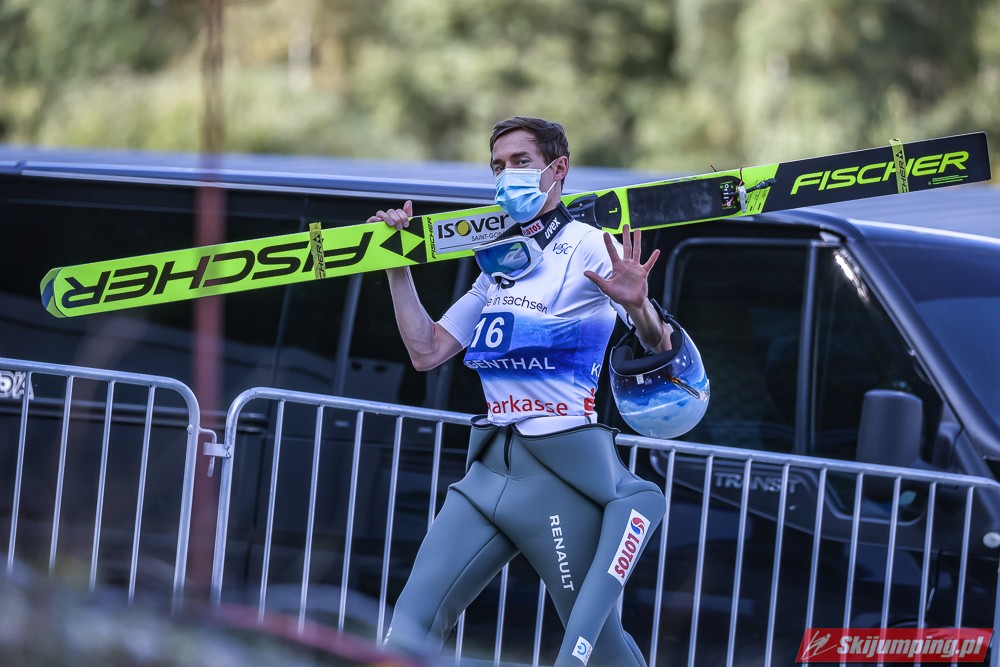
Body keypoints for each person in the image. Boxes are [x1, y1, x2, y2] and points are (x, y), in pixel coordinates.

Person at [369, 116, 677, 667]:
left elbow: (657, 342)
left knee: (598, 647)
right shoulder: (500, 260)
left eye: (520, 162)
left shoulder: (590, 245)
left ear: (558, 169)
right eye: (497, 166)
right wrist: (398, 267)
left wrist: (639, 308)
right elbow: (427, 350)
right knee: (409, 626)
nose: (506, 174)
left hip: (558, 469)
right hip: (489, 467)